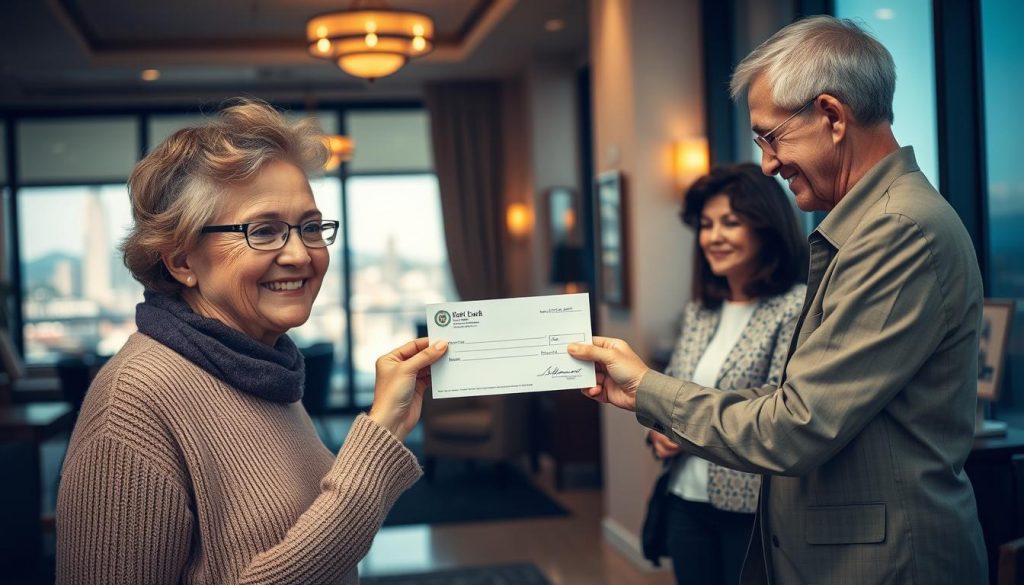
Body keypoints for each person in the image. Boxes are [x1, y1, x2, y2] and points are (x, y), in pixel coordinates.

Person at [568, 16, 988, 584]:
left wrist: (648, 387)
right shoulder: (872, 224)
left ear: (832, 116)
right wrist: (649, 393)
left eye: (771, 137)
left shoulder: (897, 230)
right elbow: (800, 397)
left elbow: (795, 425)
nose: (768, 163)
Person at [56, 99, 448, 584]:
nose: (301, 254)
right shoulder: (132, 404)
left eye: (310, 227)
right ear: (181, 261)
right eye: (263, 231)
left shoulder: (264, 367)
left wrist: (386, 425)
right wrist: (376, 444)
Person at [646, 164, 806, 585]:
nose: (713, 237)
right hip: (685, 500)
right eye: (706, 225)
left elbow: (779, 406)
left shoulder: (794, 307)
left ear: (766, 228)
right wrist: (659, 433)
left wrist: (684, 422)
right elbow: (671, 391)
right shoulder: (700, 311)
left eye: (730, 222)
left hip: (751, 509)